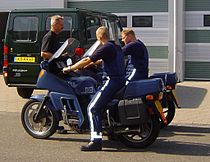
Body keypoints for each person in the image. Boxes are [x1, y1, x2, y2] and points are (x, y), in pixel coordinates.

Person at [63, 26, 125, 151]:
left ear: (100, 37)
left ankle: (96, 141)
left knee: (92, 108)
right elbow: (101, 60)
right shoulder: (115, 46)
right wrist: (90, 64)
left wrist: (69, 68)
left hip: (111, 81)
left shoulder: (105, 46)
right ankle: (112, 132)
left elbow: (87, 59)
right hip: (120, 80)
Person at [41, 15, 67, 134]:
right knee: (53, 95)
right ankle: (53, 122)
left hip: (58, 69)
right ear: (54, 25)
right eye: (61, 24)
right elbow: (44, 53)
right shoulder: (49, 36)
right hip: (52, 71)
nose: (63, 26)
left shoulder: (56, 36)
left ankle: (56, 122)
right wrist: (57, 56)